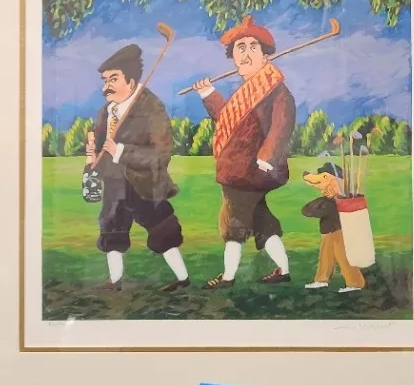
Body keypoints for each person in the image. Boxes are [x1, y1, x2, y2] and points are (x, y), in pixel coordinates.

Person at [191, 16, 296, 289]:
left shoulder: (275, 90)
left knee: (233, 222)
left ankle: (228, 277)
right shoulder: (247, 91)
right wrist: (208, 93)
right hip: (237, 169)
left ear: (265, 55)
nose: (246, 54)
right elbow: (227, 120)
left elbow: (282, 125)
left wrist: (267, 156)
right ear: (233, 57)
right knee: (261, 221)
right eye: (240, 48)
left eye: (252, 47)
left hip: (251, 172)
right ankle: (283, 269)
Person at [85, 44, 190, 292]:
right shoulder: (107, 111)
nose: (106, 86)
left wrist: (121, 151)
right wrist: (93, 156)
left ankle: (182, 278)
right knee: (111, 227)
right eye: (105, 80)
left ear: (130, 81)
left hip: (144, 183)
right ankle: (115, 281)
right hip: (114, 181)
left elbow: (161, 155)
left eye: (113, 79)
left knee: (162, 228)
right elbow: (99, 145)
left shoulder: (151, 108)